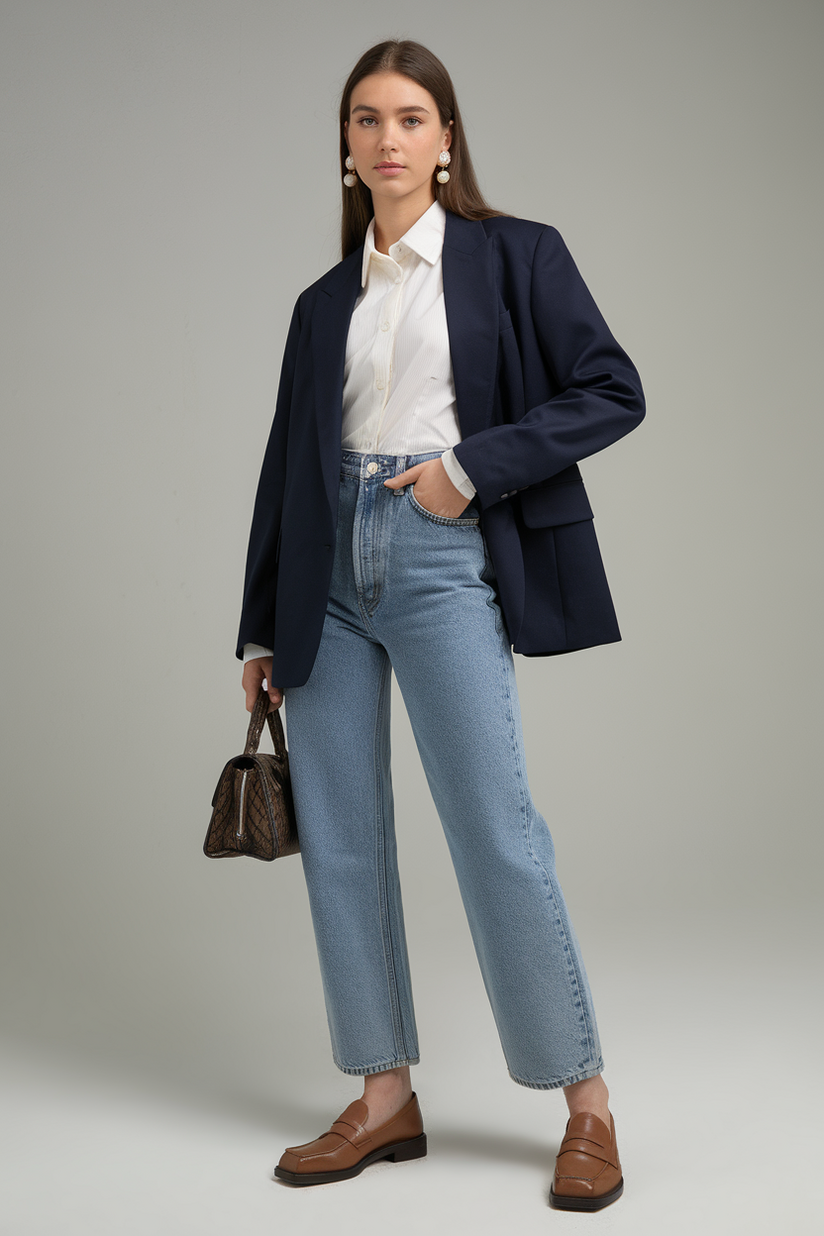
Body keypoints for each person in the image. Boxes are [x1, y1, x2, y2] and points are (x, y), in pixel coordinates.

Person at [237, 39, 644, 1211]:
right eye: (365, 120)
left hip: (436, 550)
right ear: (348, 148)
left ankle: (585, 1105)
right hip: (324, 572)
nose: (387, 139)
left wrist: (467, 471)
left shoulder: (516, 255)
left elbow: (610, 387)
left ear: (446, 138)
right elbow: (285, 471)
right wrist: (259, 631)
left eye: (410, 117)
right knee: (346, 844)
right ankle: (381, 1097)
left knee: (494, 828)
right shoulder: (325, 304)